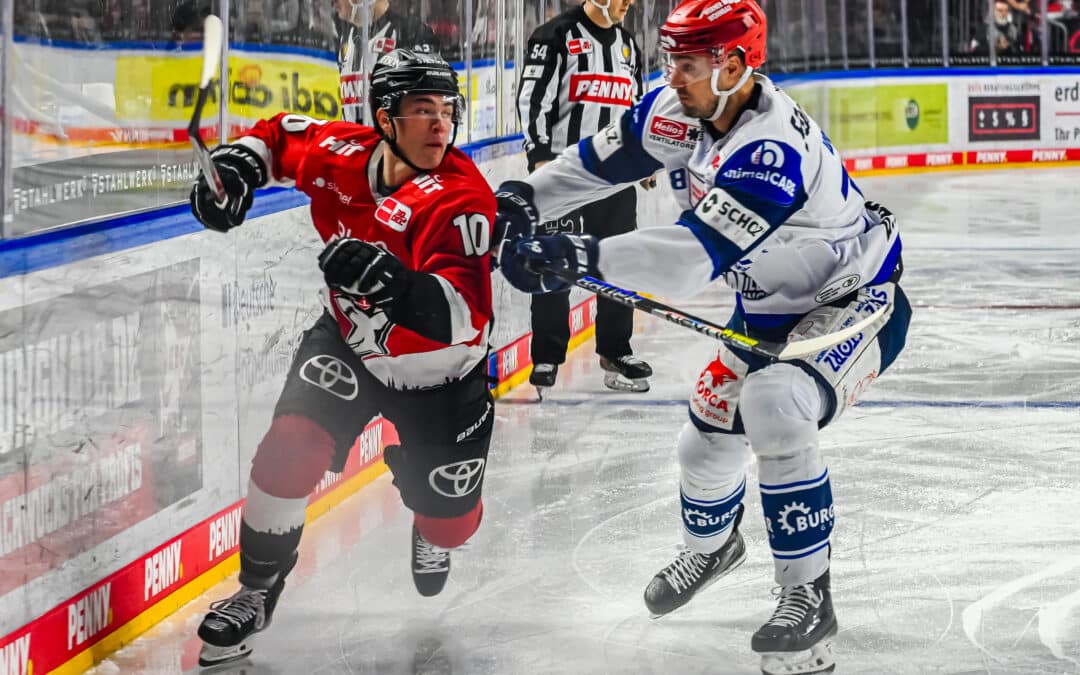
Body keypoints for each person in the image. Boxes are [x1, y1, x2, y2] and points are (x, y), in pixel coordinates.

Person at [495, 1, 911, 673]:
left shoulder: (770, 149)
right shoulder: (679, 106)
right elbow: (596, 162)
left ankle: (809, 595)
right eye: (669, 60)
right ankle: (714, 544)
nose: (672, 76)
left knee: (775, 405)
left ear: (737, 66)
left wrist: (581, 258)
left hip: (854, 301)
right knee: (708, 429)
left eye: (687, 64)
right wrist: (522, 197)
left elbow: (691, 258)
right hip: (771, 306)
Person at [188, 49, 496, 667]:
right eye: (422, 110)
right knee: (287, 449)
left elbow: (465, 316)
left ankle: (425, 507)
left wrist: (398, 284)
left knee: (451, 527)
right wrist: (235, 171)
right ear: (384, 118)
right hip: (350, 347)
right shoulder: (340, 153)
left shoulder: (462, 197)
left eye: (446, 111)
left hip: (441, 375)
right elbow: (276, 137)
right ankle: (257, 588)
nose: (441, 125)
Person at [517, 0, 653, 394]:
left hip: (615, 180)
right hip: (564, 175)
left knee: (617, 265)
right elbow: (532, 99)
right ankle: (546, 354)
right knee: (553, 263)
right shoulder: (555, 36)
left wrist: (641, 158)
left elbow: (635, 108)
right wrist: (539, 156)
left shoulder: (627, 44)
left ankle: (616, 350)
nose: (629, 3)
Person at [334, 0, 438, 123]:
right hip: (355, 140)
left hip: (392, 140)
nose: (333, 2)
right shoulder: (345, 37)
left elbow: (426, 104)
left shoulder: (411, 33)